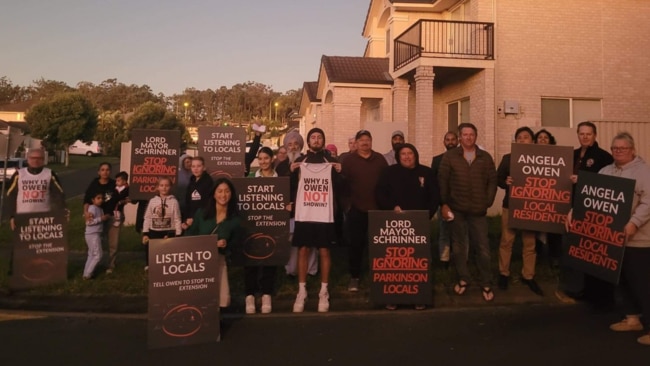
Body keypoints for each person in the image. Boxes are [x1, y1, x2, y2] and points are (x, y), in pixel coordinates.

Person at [592, 132, 650, 346]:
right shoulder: (605, 171)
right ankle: (632, 318)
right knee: (622, 281)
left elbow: (648, 202)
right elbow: (590, 198)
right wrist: (574, 212)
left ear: (632, 150)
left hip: (639, 239)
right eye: (615, 148)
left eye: (623, 148)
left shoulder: (644, 172)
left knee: (643, 283)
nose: (618, 151)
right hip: (612, 238)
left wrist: (634, 222)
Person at [556, 121, 614, 305]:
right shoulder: (571, 155)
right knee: (573, 249)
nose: (585, 137)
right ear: (578, 135)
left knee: (590, 251)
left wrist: (583, 179)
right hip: (571, 207)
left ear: (595, 135)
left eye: (589, 134)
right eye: (582, 134)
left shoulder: (604, 157)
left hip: (592, 210)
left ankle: (595, 292)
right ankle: (575, 289)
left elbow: (609, 183)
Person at [438, 122, 497, 302]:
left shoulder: (485, 157)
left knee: (483, 248)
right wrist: (444, 204)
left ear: (476, 137)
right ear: (460, 137)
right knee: (459, 247)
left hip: (478, 211)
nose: (468, 137)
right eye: (465, 134)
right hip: (457, 209)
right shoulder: (450, 157)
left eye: (472, 134)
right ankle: (464, 278)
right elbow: (443, 181)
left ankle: (486, 282)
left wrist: (487, 201)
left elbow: (492, 181)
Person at [376, 143, 439, 310]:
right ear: (398, 156)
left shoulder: (426, 172)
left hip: (420, 225)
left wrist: (426, 216)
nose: (407, 156)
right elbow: (380, 194)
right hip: (395, 225)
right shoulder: (388, 172)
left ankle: (418, 296)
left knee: (417, 261)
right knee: (396, 262)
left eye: (410, 153)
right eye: (403, 154)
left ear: (415, 155)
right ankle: (394, 297)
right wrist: (392, 207)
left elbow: (434, 197)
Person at [290, 128, 342, 313]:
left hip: (324, 213)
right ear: (309, 141)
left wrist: (339, 171)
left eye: (320, 137)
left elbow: (340, 186)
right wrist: (290, 171)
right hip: (305, 213)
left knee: (324, 250)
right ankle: (301, 291)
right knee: (303, 249)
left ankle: (323, 291)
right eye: (313, 137)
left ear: (323, 140)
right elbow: (290, 184)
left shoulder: (331, 162)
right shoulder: (299, 161)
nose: (316, 140)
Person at [6, 148, 67, 278]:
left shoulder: (50, 174)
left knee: (41, 246)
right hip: (23, 216)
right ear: (28, 159)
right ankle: (15, 272)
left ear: (43, 160)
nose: (36, 160)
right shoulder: (19, 174)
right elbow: (10, 195)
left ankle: (44, 271)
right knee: (20, 245)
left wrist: (62, 211)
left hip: (43, 217)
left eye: (39, 158)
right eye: (33, 158)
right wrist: (12, 216)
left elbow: (59, 194)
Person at [496, 127, 543, 296]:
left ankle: (528, 275)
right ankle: (503, 273)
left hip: (530, 207)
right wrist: (505, 181)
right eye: (519, 138)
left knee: (529, 243)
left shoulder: (540, 159)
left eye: (526, 137)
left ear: (532, 140)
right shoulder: (508, 158)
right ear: (516, 141)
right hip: (511, 204)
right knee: (506, 241)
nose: (523, 140)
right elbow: (498, 179)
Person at [341, 129, 388, 292]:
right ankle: (355, 277)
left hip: (377, 210)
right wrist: (347, 205)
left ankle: (380, 276)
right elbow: (342, 185)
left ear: (371, 141)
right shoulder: (348, 160)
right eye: (361, 140)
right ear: (357, 142)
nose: (365, 142)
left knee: (379, 246)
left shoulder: (380, 159)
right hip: (356, 209)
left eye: (367, 139)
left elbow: (386, 183)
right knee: (356, 245)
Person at [185, 178, 243, 308]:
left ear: (231, 194)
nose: (223, 195)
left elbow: (236, 243)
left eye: (227, 191)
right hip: (198, 262)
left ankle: (216, 320)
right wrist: (209, 244)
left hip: (219, 261)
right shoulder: (202, 214)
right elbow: (189, 236)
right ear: (214, 194)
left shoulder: (234, 219)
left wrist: (226, 244)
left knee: (218, 297)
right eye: (220, 191)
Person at [277, 130, 318, 277]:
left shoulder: (308, 162)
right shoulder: (281, 167)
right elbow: (279, 187)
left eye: (296, 144)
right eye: (290, 144)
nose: (293, 147)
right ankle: (291, 270)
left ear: (300, 146)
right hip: (290, 210)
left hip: (308, 208)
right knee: (291, 241)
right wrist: (290, 170)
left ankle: (310, 270)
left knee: (309, 240)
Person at [244, 147, 280, 314]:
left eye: (266, 158)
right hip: (253, 224)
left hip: (272, 224)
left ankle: (266, 294)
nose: (263, 161)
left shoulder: (279, 179)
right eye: (261, 159)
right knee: (250, 260)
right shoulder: (251, 177)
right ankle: (250, 295)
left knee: (269, 259)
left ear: (272, 159)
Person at [534, 129, 562, 268]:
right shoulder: (530, 156)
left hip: (553, 197)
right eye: (540, 137)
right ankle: (538, 256)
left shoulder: (558, 156)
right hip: (535, 198)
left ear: (550, 140)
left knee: (554, 229)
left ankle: (555, 257)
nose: (543, 139)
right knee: (536, 229)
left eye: (546, 137)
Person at [430, 131, 459, 268]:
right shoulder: (437, 160)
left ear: (457, 141)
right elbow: (434, 183)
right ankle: (444, 260)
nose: (451, 142)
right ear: (444, 142)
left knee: (461, 233)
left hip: (460, 202)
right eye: (448, 140)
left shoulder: (464, 158)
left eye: (453, 139)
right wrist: (440, 203)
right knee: (444, 232)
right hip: (443, 203)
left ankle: (461, 260)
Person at [82, 162, 118, 273]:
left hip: (111, 216)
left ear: (110, 172)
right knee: (97, 243)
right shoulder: (94, 184)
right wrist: (86, 213)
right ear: (99, 172)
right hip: (97, 218)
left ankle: (111, 265)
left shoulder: (114, 184)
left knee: (113, 243)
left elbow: (122, 194)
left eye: (107, 169)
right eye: (102, 169)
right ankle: (94, 266)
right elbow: (87, 200)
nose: (105, 172)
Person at [141, 177, 182, 270]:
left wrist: (178, 234)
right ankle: (149, 264)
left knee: (167, 251)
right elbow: (147, 217)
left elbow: (177, 218)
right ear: (157, 187)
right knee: (152, 249)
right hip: (154, 231)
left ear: (170, 187)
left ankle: (166, 267)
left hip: (168, 231)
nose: (164, 188)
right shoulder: (152, 201)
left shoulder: (174, 202)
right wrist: (145, 233)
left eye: (167, 185)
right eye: (161, 185)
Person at [106, 171, 130, 274]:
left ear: (124, 181)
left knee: (113, 241)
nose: (116, 182)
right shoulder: (113, 188)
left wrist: (123, 201)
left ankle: (111, 263)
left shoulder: (127, 190)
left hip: (117, 214)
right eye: (116, 180)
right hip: (107, 213)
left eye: (119, 180)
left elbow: (129, 199)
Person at [181, 156, 213, 232]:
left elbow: (208, 203)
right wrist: (186, 219)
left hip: (203, 220)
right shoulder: (191, 181)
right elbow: (188, 202)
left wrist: (196, 218)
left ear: (204, 167)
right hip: (190, 220)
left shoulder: (208, 182)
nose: (195, 169)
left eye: (199, 166)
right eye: (193, 166)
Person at [83, 192, 109, 280]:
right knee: (98, 255)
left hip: (95, 233)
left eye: (102, 198)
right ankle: (88, 274)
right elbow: (89, 222)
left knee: (91, 254)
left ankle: (86, 273)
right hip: (92, 234)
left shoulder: (100, 209)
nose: (101, 200)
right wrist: (101, 219)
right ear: (93, 200)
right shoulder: (92, 208)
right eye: (98, 198)